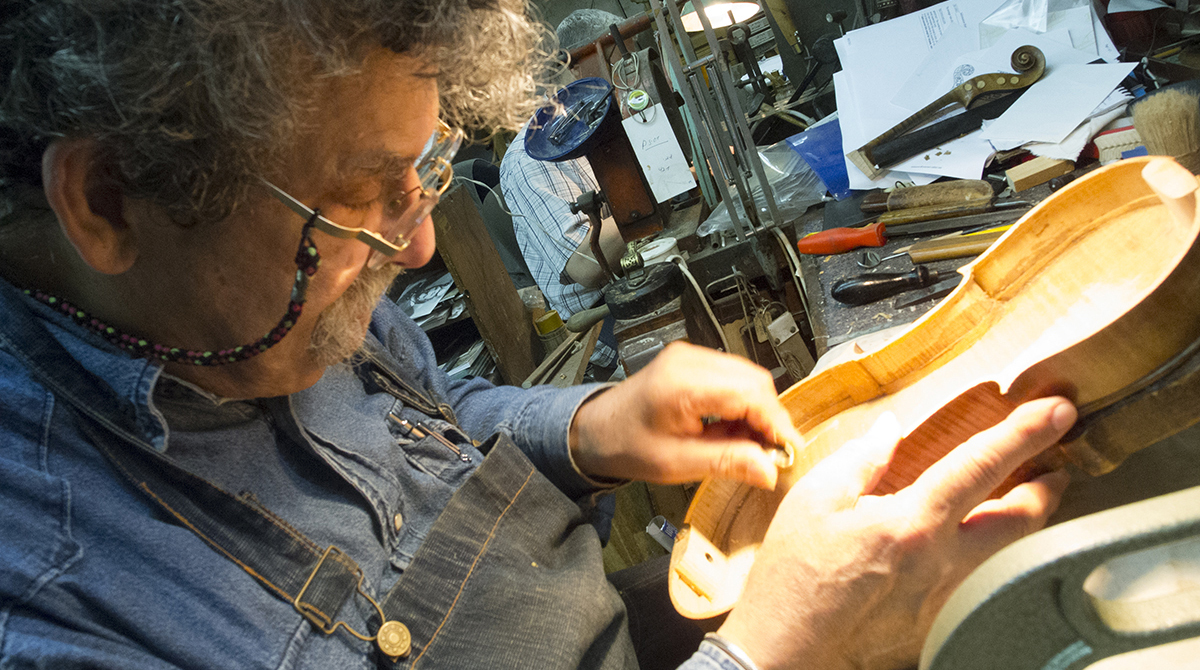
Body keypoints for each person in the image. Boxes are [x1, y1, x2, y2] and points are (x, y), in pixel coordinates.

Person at [0, 1, 1076, 669]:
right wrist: (779, 649)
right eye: (359, 198)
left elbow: (411, 416)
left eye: (416, 175)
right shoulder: (56, 613)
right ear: (107, 200)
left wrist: (592, 427)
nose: (416, 250)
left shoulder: (245, 313)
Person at [499, 10, 629, 372]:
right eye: (619, 63)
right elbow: (586, 267)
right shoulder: (530, 158)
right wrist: (655, 193)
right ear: (575, 68)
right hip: (603, 320)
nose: (627, 77)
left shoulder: (599, 123)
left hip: (630, 277)